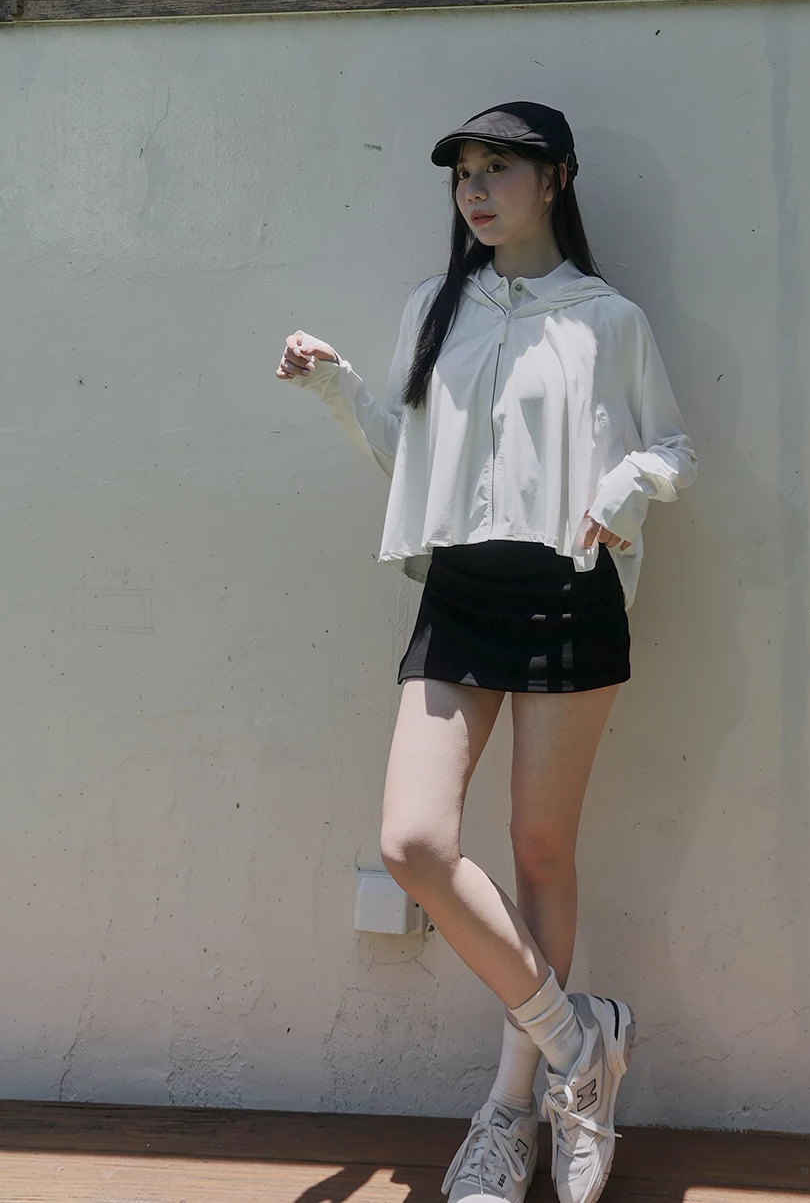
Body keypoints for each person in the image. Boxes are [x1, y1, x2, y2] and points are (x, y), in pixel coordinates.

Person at [276, 102, 697, 1203]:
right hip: (461, 593)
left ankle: (512, 1110)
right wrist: (335, 386)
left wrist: (629, 484)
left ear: (554, 180)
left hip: (570, 593)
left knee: (540, 851)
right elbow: (411, 461)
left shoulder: (606, 318)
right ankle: (579, 1042)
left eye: (498, 166)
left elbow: (674, 445)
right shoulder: (436, 308)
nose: (474, 187)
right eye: (463, 170)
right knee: (414, 841)